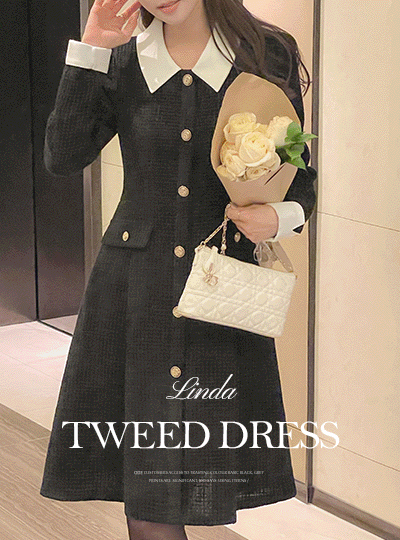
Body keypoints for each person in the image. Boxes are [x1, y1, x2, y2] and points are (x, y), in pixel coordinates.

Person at [39, 0, 317, 538]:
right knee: (147, 508)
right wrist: (91, 50)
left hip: (218, 301)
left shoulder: (267, 54)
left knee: (191, 485)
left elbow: (300, 176)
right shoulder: (122, 58)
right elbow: (62, 155)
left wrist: (278, 218)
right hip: (133, 297)